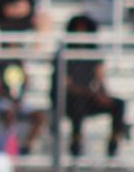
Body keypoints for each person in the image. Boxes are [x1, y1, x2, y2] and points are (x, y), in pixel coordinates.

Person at [55, 13, 129, 157]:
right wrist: (91, 93)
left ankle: (114, 142)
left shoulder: (94, 54)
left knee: (118, 104)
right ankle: (76, 142)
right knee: (77, 104)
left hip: (90, 97)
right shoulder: (64, 55)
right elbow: (66, 84)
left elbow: (100, 79)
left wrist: (103, 94)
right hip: (68, 100)